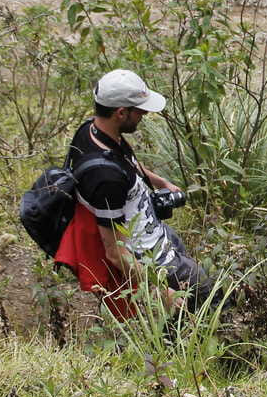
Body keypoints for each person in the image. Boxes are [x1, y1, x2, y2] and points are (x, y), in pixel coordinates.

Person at [66, 69, 211, 314]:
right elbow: (115, 252)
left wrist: (159, 181)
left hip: (156, 233)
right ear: (121, 113)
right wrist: (159, 289)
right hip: (150, 259)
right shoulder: (105, 179)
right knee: (207, 299)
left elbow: (127, 163)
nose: (144, 114)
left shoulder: (93, 131)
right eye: (139, 110)